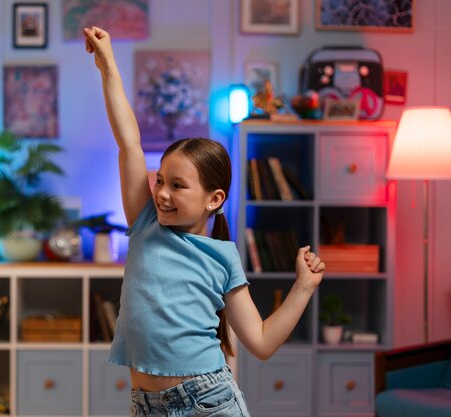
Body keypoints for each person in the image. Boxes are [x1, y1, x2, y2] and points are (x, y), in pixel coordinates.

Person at [83, 26, 325, 417]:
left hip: (207, 402)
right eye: (160, 180)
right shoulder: (146, 223)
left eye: (178, 186)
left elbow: (260, 343)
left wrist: (303, 287)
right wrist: (108, 65)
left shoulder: (222, 258)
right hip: (147, 406)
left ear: (214, 200)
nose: (161, 193)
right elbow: (129, 142)